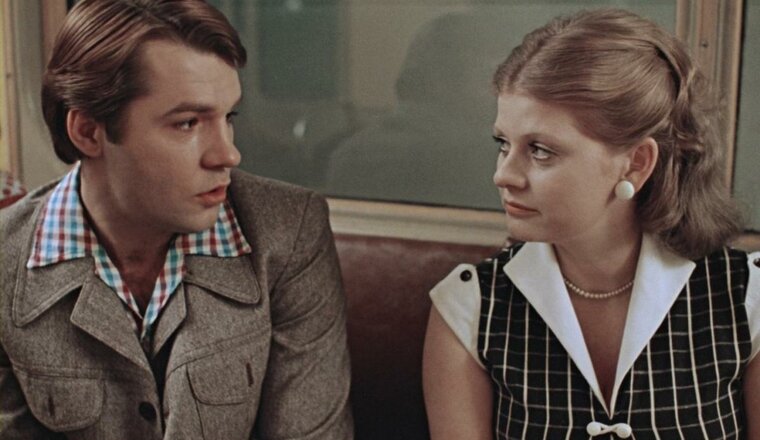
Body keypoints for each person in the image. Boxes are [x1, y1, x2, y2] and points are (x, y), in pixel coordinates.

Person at [0, 1, 352, 439]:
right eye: (187, 123)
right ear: (88, 132)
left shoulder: (289, 232)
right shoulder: (5, 263)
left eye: (228, 117)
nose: (228, 154)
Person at [422, 8, 759, 440]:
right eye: (503, 143)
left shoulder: (746, 300)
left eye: (541, 150)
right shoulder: (468, 309)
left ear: (636, 163)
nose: (503, 175)